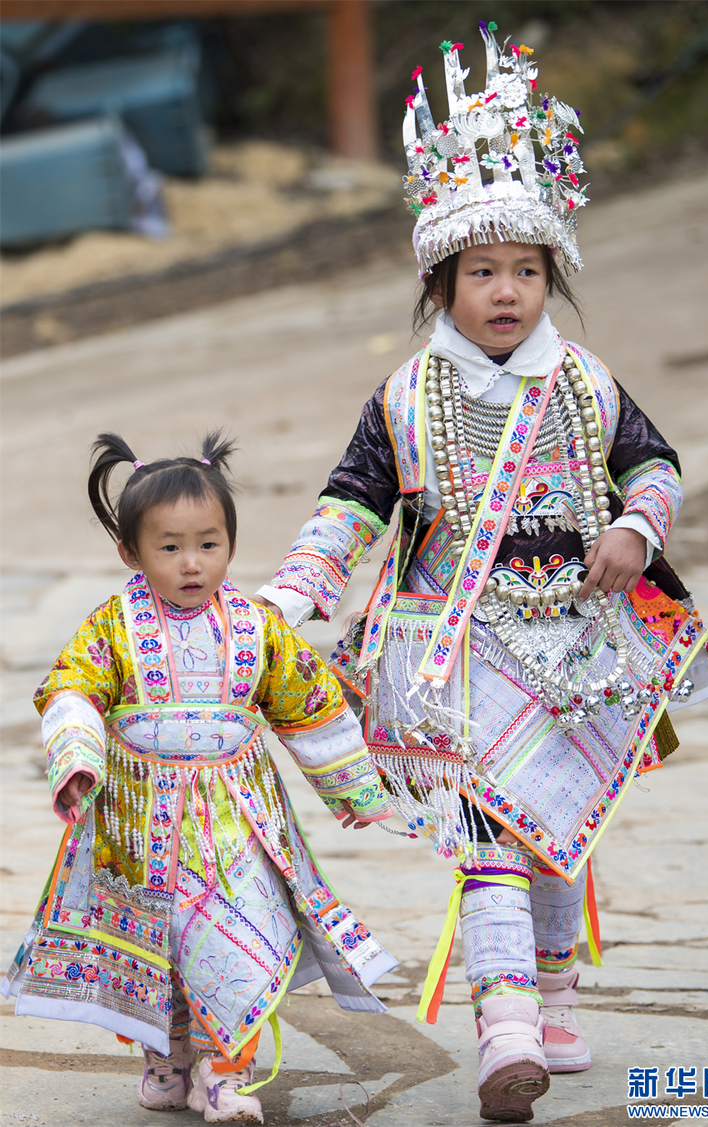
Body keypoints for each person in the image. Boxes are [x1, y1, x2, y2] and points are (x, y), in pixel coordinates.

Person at [254, 25, 708, 1124]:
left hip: (576, 644)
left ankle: (555, 995)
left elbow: (651, 461)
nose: (506, 291)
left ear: (550, 275)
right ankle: (505, 1021)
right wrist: (294, 594)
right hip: (454, 657)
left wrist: (638, 531)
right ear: (441, 281)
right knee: (488, 834)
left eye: (525, 269)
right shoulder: (405, 397)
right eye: (482, 271)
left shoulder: (587, 382)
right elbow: (353, 504)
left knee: (561, 824)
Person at [1, 432, 395, 1126]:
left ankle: (221, 1075)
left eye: (208, 545)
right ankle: (169, 1057)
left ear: (231, 547)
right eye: (170, 547)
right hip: (138, 826)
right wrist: (78, 757)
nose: (192, 563)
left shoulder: (256, 627)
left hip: (236, 820)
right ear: (131, 553)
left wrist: (353, 785)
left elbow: (309, 703)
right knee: (164, 949)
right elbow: (71, 691)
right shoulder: (111, 627)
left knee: (232, 941)